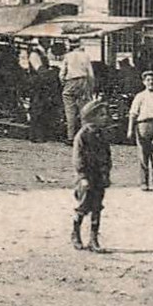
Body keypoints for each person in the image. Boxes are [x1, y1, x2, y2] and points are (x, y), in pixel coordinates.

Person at [71, 97, 115, 252]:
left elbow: (107, 156)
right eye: (101, 115)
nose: (105, 118)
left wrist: (106, 173)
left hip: (99, 176)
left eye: (105, 115)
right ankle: (75, 234)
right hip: (86, 177)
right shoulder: (82, 135)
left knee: (97, 207)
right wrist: (82, 177)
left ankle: (93, 239)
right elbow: (78, 158)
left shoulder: (102, 135)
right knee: (83, 205)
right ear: (92, 116)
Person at [60, 38, 97, 145]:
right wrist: (91, 87)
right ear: (80, 44)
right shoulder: (85, 56)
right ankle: (85, 137)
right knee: (84, 110)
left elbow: (62, 73)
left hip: (71, 81)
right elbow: (91, 74)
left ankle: (70, 137)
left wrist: (64, 82)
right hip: (84, 81)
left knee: (70, 110)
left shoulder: (67, 56)